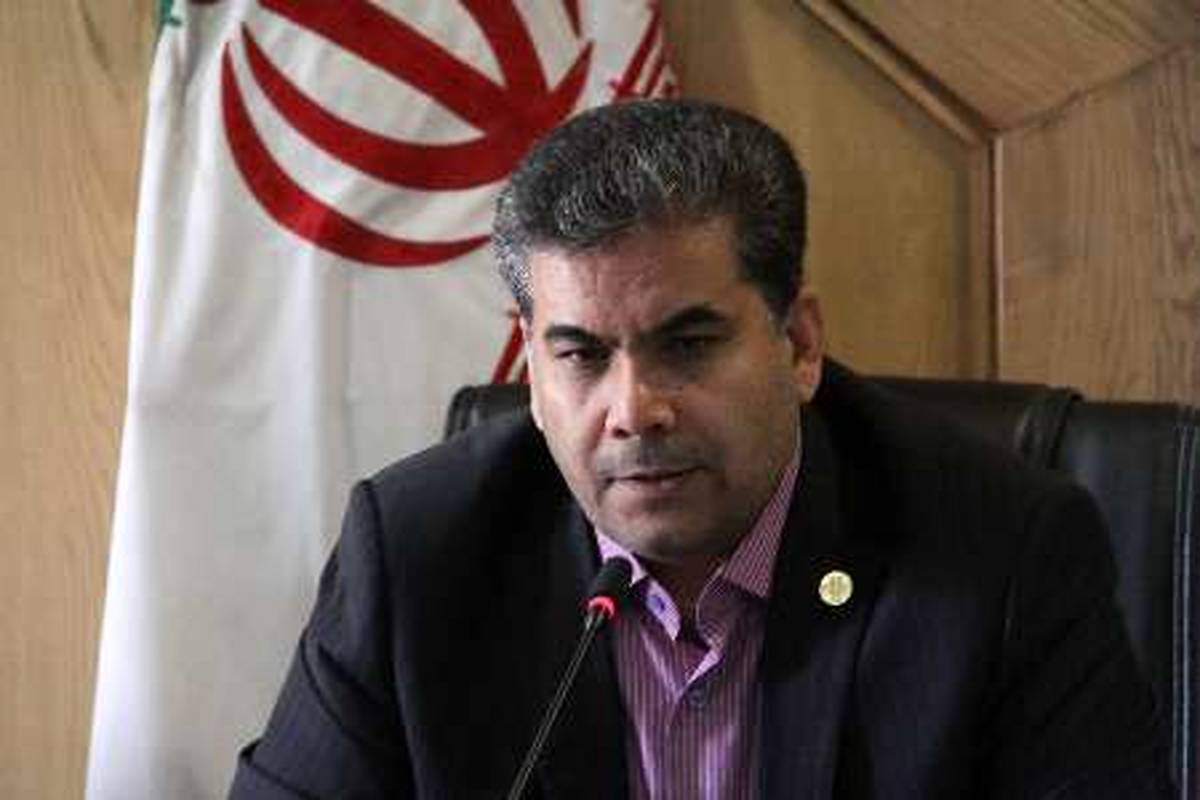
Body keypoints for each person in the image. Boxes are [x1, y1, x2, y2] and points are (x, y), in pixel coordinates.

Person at [230, 99, 1171, 798]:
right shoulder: (416, 551)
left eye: (687, 345)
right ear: (532, 363)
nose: (633, 411)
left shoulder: (1003, 551)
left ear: (799, 344)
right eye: (581, 355)